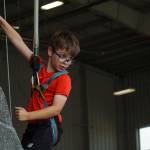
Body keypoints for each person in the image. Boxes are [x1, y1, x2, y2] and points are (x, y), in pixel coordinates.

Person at [0, 16, 80, 150]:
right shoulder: (38, 67)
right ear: (50, 51)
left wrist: (27, 115)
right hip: (33, 126)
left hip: (47, 127)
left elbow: (56, 109)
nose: (64, 62)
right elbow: (18, 41)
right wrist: (1, 21)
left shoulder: (63, 79)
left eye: (69, 59)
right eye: (61, 56)